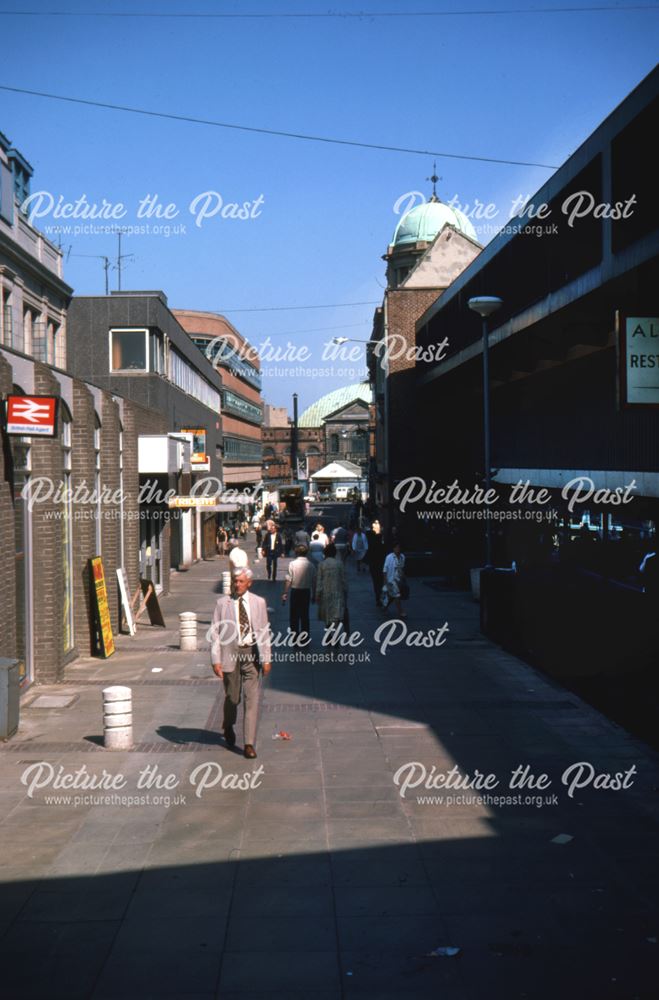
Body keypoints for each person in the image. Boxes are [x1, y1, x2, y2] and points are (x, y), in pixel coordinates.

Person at [210, 567, 272, 759]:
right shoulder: (223, 604)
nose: (237, 585)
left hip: (251, 653)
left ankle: (248, 744)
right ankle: (228, 724)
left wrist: (267, 658)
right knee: (233, 698)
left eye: (241, 581)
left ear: (249, 583)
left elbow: (263, 631)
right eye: (235, 581)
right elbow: (214, 633)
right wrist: (216, 660)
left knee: (251, 699)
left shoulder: (259, 602)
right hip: (230, 654)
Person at [282, 544, 316, 641]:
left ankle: (294, 636)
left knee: (294, 615)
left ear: (296, 552)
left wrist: (285, 593)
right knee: (305, 615)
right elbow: (314, 581)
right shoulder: (311, 565)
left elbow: (289, 579)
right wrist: (314, 594)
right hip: (306, 591)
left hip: (295, 591)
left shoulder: (292, 564)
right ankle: (305, 636)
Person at [316, 542, 347, 637]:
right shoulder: (339, 564)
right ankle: (336, 635)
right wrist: (345, 592)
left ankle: (329, 635)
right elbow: (344, 580)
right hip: (337, 593)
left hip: (325, 593)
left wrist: (317, 594)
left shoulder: (322, 564)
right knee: (336, 616)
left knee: (327, 615)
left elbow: (319, 581)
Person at [383, 541, 407, 618]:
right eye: (396, 547)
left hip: (399, 580)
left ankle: (385, 607)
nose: (398, 549)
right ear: (393, 548)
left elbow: (402, 568)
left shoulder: (402, 557)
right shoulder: (389, 557)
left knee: (392, 596)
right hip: (391, 580)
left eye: (399, 547)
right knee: (397, 596)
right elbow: (385, 570)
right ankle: (401, 611)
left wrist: (403, 578)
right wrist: (386, 581)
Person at [366, 520, 386, 607]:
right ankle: (380, 597)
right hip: (381, 566)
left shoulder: (371, 544)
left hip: (373, 566)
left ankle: (378, 597)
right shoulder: (382, 545)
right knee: (380, 582)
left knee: (376, 583)